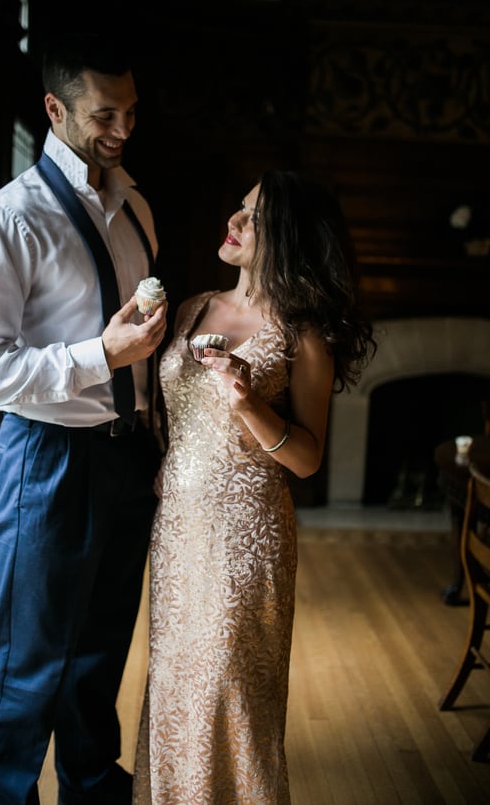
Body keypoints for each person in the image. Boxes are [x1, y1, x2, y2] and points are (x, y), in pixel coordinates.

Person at [0, 33, 167, 805]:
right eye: (105, 113)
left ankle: (88, 786)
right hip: (48, 455)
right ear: (56, 109)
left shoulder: (136, 204)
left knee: (103, 646)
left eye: (132, 111)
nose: (123, 128)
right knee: (25, 656)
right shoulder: (6, 220)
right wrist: (98, 357)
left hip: (128, 454)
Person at [133, 170, 376, 804]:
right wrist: (169, 461)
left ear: (287, 238)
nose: (235, 222)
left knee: (228, 693)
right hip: (180, 532)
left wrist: (246, 401)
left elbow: (307, 459)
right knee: (175, 685)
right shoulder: (192, 309)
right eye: (239, 209)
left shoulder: (303, 334)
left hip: (248, 540)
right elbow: (175, 414)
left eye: (254, 218)